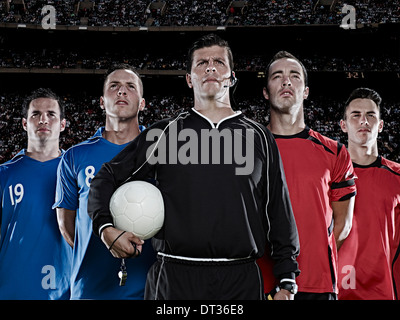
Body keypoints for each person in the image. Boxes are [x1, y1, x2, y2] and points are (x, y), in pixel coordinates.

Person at [88, 34, 300, 300]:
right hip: (174, 277)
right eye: (201, 63)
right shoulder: (164, 133)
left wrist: (287, 278)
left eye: (218, 62)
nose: (210, 67)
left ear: (231, 77)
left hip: (240, 279)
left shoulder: (259, 137)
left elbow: (279, 211)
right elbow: (105, 177)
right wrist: (105, 228)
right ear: (189, 79)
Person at [258, 51, 357, 300]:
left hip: (317, 284)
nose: (286, 81)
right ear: (266, 92)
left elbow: (343, 225)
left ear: (305, 91)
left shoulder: (334, 152)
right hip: (259, 282)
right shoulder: (246, 149)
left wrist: (313, 258)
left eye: (294, 76)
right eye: (277, 76)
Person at [53, 63, 155, 299]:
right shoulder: (75, 156)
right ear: (101, 101)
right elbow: (66, 225)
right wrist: (103, 242)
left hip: (150, 289)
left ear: (142, 103)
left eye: (130, 86)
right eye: (114, 86)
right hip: (90, 289)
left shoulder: (162, 152)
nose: (122, 91)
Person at [0, 88, 71, 299]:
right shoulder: (4, 174)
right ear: (24, 123)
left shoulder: (77, 173)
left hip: (68, 291)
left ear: (63, 124)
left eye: (51, 114)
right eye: (35, 114)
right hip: (11, 291)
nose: (43, 120)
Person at [338, 87, 400, 300]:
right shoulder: (326, 177)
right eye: (356, 115)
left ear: (380, 125)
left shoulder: (398, 177)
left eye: (370, 115)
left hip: (383, 290)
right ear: (343, 125)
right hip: (336, 289)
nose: (363, 121)